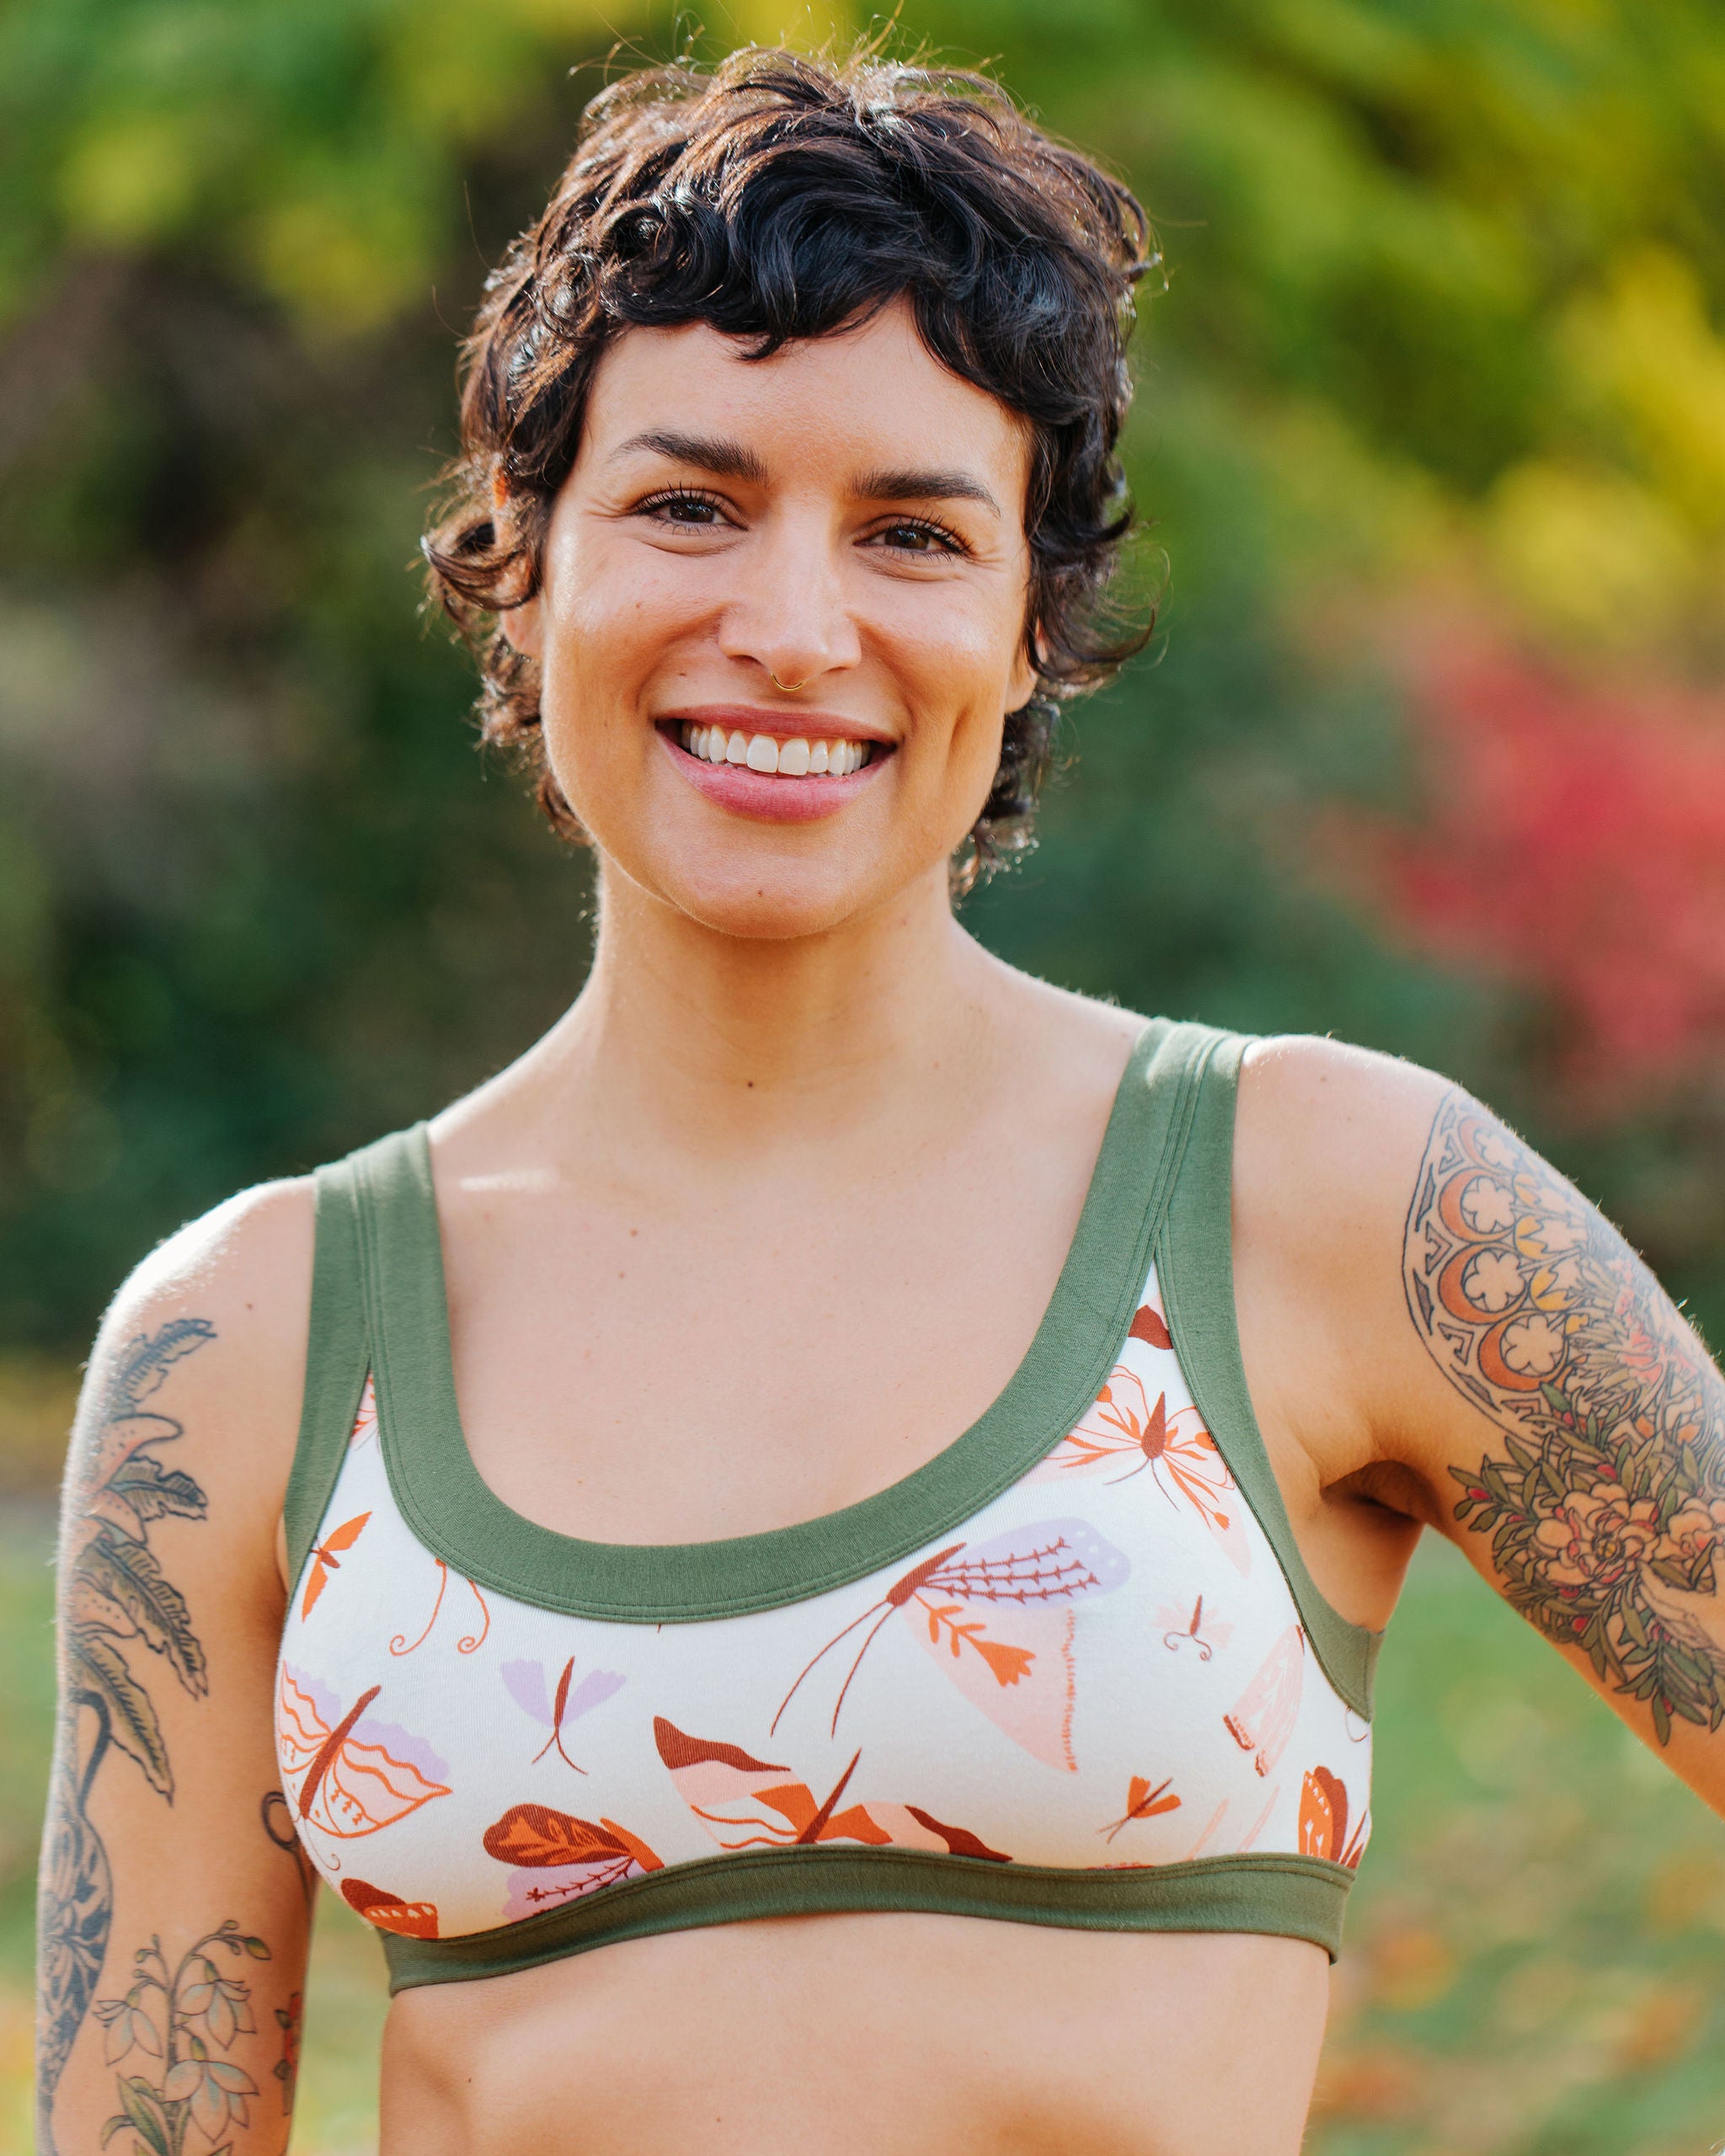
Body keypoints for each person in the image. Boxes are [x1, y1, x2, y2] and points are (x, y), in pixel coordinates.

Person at [35, 46, 1725, 2156]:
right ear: (521, 550)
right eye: (687, 502)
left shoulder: (1335, 1200)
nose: (791, 625)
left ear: (1032, 626)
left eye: (914, 531)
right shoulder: (251, 1340)